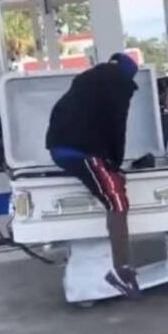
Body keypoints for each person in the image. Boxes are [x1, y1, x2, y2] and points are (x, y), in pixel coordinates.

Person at [45, 53, 141, 298]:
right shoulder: (119, 84)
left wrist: (110, 166)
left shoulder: (86, 79)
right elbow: (116, 126)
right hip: (81, 151)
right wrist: (115, 163)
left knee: (112, 187)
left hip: (62, 146)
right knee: (117, 199)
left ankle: (120, 268)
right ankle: (121, 270)